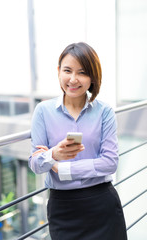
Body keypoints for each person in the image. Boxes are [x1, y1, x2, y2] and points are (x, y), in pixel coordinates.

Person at [29, 42, 127, 240]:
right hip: (63, 208)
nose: (73, 79)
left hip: (102, 204)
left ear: (92, 77)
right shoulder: (43, 111)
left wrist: (61, 168)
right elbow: (35, 164)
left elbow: (110, 163)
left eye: (82, 72)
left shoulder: (104, 112)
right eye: (67, 70)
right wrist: (53, 155)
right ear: (58, 71)